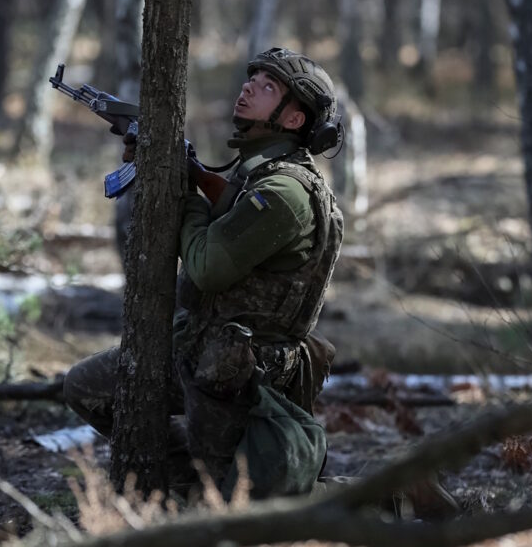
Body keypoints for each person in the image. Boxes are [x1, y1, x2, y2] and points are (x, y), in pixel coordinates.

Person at [63, 48, 345, 497]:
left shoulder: (283, 191)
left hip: (240, 371)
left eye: (268, 87)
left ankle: (396, 497)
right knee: (86, 386)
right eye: (251, 78)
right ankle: (180, 488)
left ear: (294, 120)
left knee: (244, 506)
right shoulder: (261, 177)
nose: (248, 87)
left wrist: (186, 195)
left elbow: (207, 267)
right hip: (206, 353)